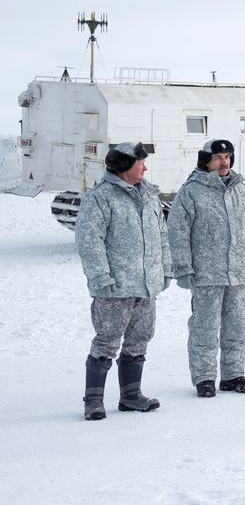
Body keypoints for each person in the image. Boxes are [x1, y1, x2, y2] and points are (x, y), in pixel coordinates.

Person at [75, 142, 172, 420]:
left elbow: (161, 236)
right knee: (106, 342)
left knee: (139, 340)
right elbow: (89, 240)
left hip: (146, 285)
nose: (145, 167)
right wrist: (100, 276)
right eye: (140, 162)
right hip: (114, 287)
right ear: (123, 166)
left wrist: (165, 270)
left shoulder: (149, 196)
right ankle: (93, 401)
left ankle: (131, 396)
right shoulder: (101, 197)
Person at [167, 139, 245, 398]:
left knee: (237, 327)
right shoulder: (191, 192)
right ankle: (205, 378)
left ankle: (233, 375)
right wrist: (183, 268)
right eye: (218, 157)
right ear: (206, 161)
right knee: (205, 327)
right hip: (206, 274)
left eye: (227, 156)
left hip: (239, 272)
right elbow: (177, 233)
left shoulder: (240, 189)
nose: (224, 162)